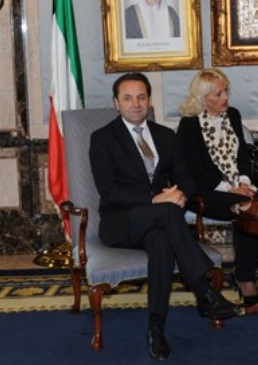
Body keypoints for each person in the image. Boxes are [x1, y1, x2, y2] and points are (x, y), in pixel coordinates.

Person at [89, 72, 239, 361]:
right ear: (116, 103)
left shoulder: (165, 136)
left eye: (141, 97)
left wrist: (180, 193)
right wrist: (155, 199)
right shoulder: (103, 138)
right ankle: (204, 291)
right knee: (168, 212)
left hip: (159, 222)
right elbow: (109, 191)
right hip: (120, 222)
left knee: (160, 241)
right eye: (128, 98)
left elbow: (188, 180)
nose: (136, 104)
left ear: (149, 100)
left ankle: (156, 329)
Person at [177, 68, 258, 306]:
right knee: (246, 208)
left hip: (237, 188)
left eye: (226, 91)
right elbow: (195, 170)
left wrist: (244, 182)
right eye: (218, 94)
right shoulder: (189, 124)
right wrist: (230, 189)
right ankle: (245, 280)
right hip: (204, 192)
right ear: (203, 97)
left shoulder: (233, 115)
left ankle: (244, 273)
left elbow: (243, 155)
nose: (225, 97)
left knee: (257, 207)